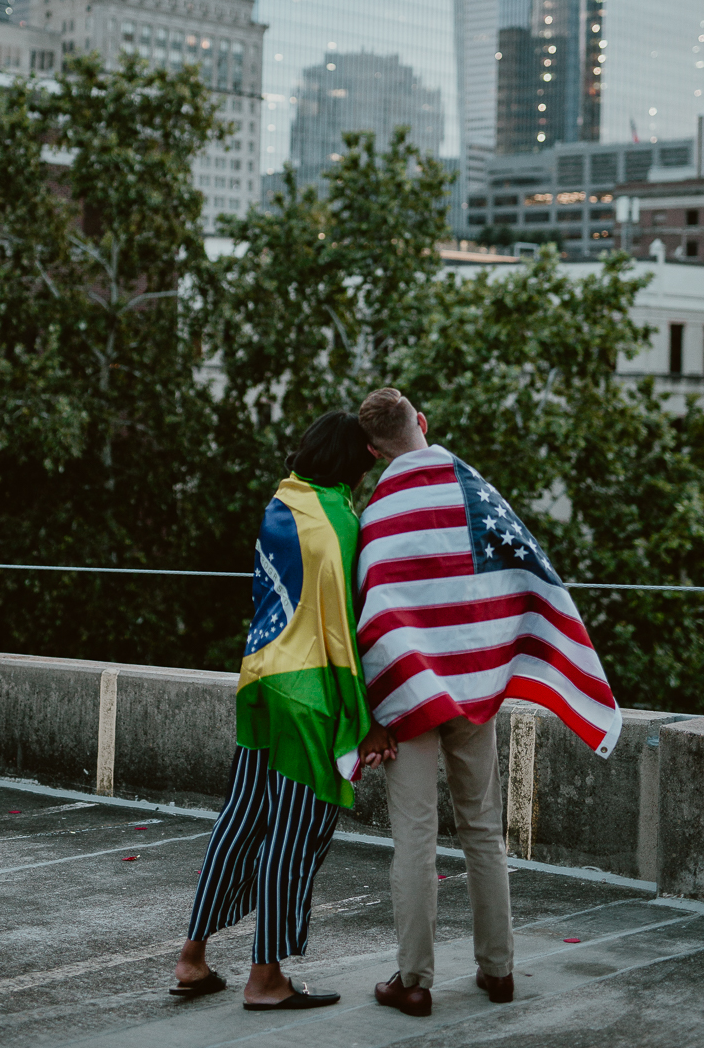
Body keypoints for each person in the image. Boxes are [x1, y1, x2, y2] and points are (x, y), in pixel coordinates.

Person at [355, 388, 621, 1019]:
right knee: (483, 829)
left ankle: (413, 981)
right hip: (476, 690)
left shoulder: (375, 513)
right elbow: (519, 572)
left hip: (408, 697)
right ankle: (497, 970)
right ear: (422, 422)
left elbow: (369, 612)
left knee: (414, 837)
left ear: (372, 450)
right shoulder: (475, 491)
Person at [171, 410, 396, 1011]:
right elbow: (343, 631)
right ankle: (265, 977)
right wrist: (368, 721)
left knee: (241, 817)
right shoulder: (338, 522)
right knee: (292, 837)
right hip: (308, 695)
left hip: (261, 679)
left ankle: (192, 958)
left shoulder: (283, 501)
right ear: (353, 464)